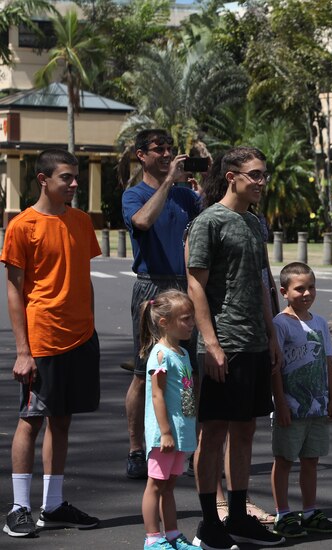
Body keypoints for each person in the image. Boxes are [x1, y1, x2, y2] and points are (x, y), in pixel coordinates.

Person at [186, 146, 284, 549]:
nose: (261, 182)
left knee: (245, 430)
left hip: (254, 343)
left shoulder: (253, 222)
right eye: (255, 175)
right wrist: (211, 343)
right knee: (213, 433)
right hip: (222, 343)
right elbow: (195, 284)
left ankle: (239, 517)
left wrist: (272, 333)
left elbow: (261, 281)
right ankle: (210, 523)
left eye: (264, 175)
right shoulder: (209, 222)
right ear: (232, 176)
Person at [1, 149, 101, 538]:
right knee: (31, 421)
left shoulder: (80, 222)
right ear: (43, 179)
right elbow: (14, 291)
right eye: (66, 178)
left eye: (76, 177)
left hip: (80, 337)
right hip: (43, 340)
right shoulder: (22, 225)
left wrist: (90, 327)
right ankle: (20, 507)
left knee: (62, 421)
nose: (74, 184)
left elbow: (83, 277)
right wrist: (23, 350)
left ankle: (54, 504)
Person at [122, 129, 201, 480]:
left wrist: (206, 184)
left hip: (185, 286)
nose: (167, 154)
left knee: (188, 371)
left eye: (171, 149)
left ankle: (186, 444)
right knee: (145, 373)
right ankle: (137, 448)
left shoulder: (186, 195)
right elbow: (142, 221)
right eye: (159, 150)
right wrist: (168, 182)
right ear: (142, 156)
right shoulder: (134, 194)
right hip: (151, 285)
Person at [270, 262, 332, 539]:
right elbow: (274, 368)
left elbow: (327, 363)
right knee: (285, 459)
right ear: (284, 291)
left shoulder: (320, 322)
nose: (307, 293)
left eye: (311, 287)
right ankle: (283, 514)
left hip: (318, 405)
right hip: (291, 406)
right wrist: (280, 403)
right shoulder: (280, 323)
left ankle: (310, 511)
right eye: (300, 288)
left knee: (311, 459)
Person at [138, 290, 199, 550]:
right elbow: (157, 395)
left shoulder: (182, 353)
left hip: (180, 431)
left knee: (168, 486)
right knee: (155, 485)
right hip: (165, 434)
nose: (192, 323)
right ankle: (153, 539)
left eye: (192, 318)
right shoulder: (161, 354)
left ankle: (172, 535)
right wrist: (165, 432)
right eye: (186, 319)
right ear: (165, 322)